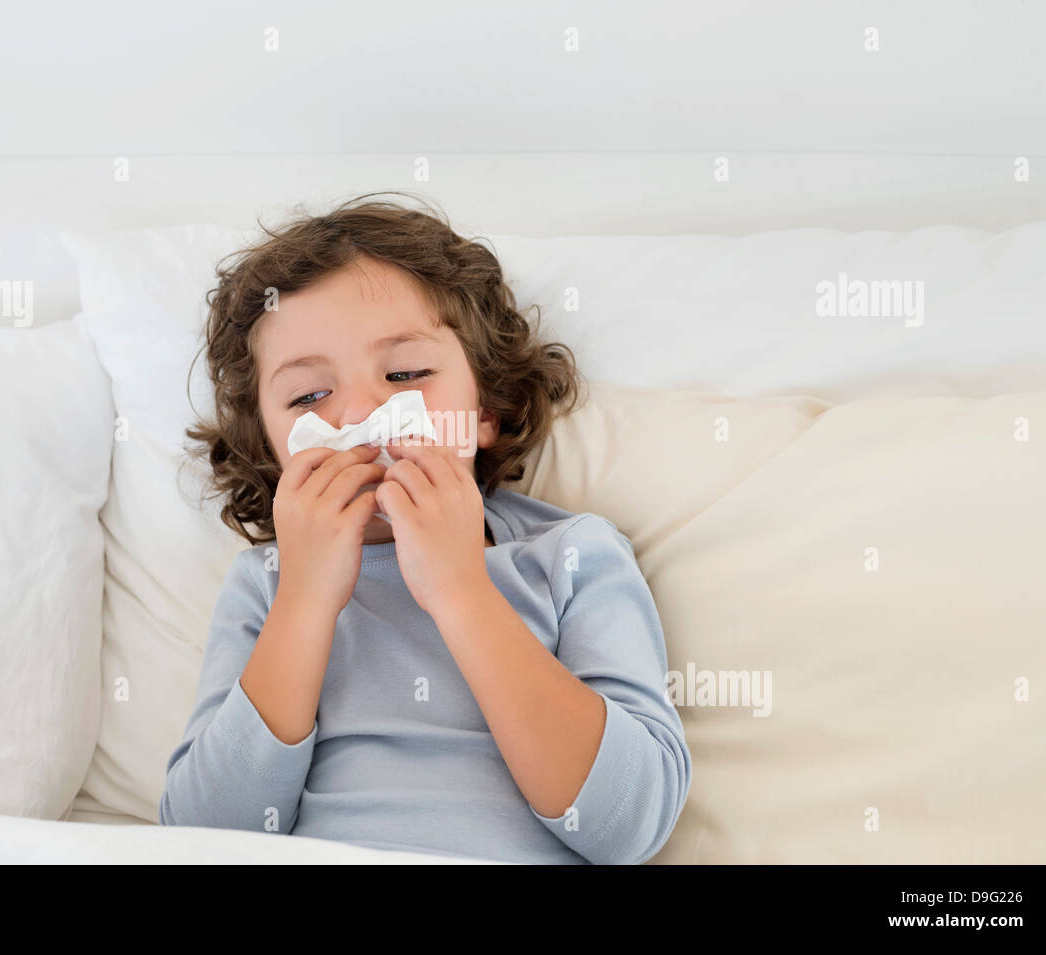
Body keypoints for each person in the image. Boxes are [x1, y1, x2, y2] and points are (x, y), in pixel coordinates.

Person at [160, 192, 691, 864]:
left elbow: (629, 825)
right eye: (308, 396)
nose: (362, 410)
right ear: (271, 447)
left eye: (406, 374)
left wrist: (462, 590)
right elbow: (200, 836)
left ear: (487, 408)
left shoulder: (571, 556)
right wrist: (305, 601)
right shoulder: (266, 586)